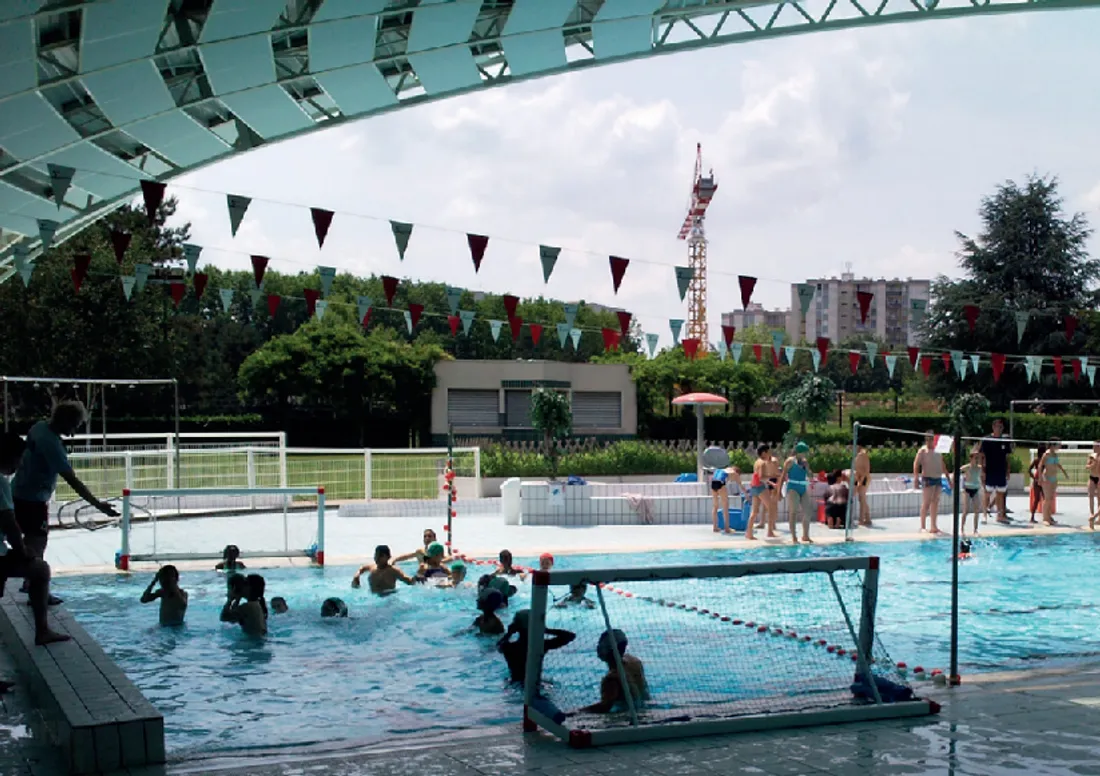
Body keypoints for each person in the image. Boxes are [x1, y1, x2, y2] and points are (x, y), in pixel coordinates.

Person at [13, 401, 118, 604]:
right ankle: (38, 592)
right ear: (66, 421)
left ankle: (29, 583)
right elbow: (73, 480)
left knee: (29, 544)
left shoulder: (39, 428)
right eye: (75, 425)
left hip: (18, 492)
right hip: (33, 501)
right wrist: (98, 505)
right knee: (37, 546)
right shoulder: (52, 445)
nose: (75, 431)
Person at [0, 432, 69, 646]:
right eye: (19, 459)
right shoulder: (0, 482)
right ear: (9, 457)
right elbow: (9, 522)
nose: (21, 465)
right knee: (40, 570)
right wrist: (22, 550)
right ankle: (42, 631)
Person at [578, 629, 649, 714]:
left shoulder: (611, 679)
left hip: (627, 718)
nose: (597, 648)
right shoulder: (635, 662)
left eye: (600, 645)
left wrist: (577, 712)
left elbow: (604, 707)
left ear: (608, 649)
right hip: (644, 711)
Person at [497, 609, 575, 683]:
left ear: (515, 626)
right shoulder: (541, 646)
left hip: (514, 682)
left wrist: (509, 634)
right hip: (536, 682)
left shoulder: (509, 647)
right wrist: (546, 630)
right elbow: (570, 636)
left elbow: (499, 646)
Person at [979, 419, 1013, 525]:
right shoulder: (987, 440)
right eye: (998, 427)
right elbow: (982, 456)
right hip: (990, 470)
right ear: (993, 427)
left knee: (1000, 493)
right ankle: (984, 515)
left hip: (1001, 470)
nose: (999, 429)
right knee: (987, 493)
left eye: (1001, 427)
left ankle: (1000, 516)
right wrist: (982, 470)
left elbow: (1007, 457)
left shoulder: (1005, 440)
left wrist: (1008, 471)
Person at [913, 432, 947, 535]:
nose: (928, 442)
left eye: (930, 439)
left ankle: (933, 526)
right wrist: (916, 478)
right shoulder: (923, 451)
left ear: (933, 440)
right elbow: (916, 464)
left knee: (935, 502)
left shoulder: (938, 450)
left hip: (937, 478)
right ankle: (922, 526)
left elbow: (942, 464)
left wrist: (948, 479)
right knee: (926, 502)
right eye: (926, 439)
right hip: (927, 478)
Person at [780, 443, 813, 544]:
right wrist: (779, 492)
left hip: (802, 487)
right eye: (805, 453)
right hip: (792, 488)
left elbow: (810, 476)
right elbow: (782, 476)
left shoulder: (805, 462)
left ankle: (805, 535)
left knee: (808, 511)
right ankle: (794, 537)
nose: (806, 455)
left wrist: (807, 468)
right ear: (799, 452)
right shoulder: (790, 461)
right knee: (793, 512)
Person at [745, 445, 774, 541]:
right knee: (771, 508)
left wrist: (770, 482)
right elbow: (761, 477)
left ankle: (749, 533)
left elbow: (757, 476)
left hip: (754, 487)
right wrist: (772, 476)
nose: (770, 454)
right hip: (760, 487)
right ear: (764, 453)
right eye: (769, 452)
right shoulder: (762, 463)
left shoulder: (757, 462)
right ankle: (770, 532)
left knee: (754, 511)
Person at [1038, 440, 1067, 527]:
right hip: (1047, 478)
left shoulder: (1055, 455)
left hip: (1054, 479)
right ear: (1052, 445)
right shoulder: (1046, 454)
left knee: (1051, 499)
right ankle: (1045, 518)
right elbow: (1040, 466)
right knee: (1047, 499)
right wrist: (1040, 478)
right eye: (1058, 445)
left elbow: (1057, 464)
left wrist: (1064, 472)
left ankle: (1049, 517)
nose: (1059, 447)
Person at [960, 449, 984, 536]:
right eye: (975, 458)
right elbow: (956, 472)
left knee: (977, 510)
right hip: (967, 490)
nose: (977, 460)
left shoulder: (979, 468)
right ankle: (962, 529)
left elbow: (981, 478)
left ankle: (975, 530)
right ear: (971, 458)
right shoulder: (966, 467)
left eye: (978, 458)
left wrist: (982, 486)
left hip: (976, 489)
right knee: (966, 511)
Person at [1027, 444, 1047, 524]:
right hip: (1039, 480)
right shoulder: (1039, 460)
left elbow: (1029, 470)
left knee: (1045, 499)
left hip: (1041, 480)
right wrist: (1034, 478)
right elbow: (1029, 470)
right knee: (1038, 499)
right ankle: (1032, 517)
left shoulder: (1042, 460)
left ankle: (1046, 516)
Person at [853, 446, 872, 527]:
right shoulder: (858, 455)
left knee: (862, 498)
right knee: (861, 498)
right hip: (859, 477)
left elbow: (866, 470)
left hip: (864, 477)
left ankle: (862, 520)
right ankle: (867, 518)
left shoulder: (862, 454)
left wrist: (861, 481)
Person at [1088, 442, 1100, 516]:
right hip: (1092, 477)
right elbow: (1087, 466)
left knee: (1099, 497)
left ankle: (1098, 517)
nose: (1093, 448)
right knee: (1090, 496)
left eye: (1095, 446)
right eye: (1093, 446)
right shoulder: (1092, 456)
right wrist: (1093, 464)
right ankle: (1091, 514)